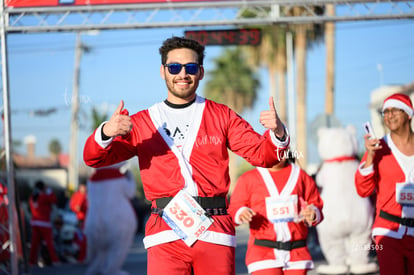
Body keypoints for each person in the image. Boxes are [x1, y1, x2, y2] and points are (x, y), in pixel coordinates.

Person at [83, 36, 289, 275]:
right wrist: (106, 132)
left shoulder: (222, 115)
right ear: (163, 71)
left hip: (215, 230)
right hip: (165, 234)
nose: (182, 74)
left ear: (200, 72)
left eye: (190, 67)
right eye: (174, 67)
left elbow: (264, 156)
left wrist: (278, 132)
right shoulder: (141, 123)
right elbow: (93, 159)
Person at [228, 151, 323, 275]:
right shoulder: (248, 178)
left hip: (297, 253)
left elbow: (315, 203)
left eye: (281, 150)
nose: (277, 154)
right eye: (271, 149)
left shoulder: (300, 175)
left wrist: (313, 212)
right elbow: (234, 207)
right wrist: (241, 213)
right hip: (263, 253)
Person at [355, 92, 414, 275]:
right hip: (387, 232)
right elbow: (363, 190)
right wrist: (371, 156)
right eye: (385, 112)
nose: (388, 115)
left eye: (394, 110)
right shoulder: (378, 147)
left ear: (408, 114)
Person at [84, 162, 137, 275]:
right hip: (119, 220)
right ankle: (111, 270)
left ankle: (96, 270)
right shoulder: (118, 177)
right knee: (118, 248)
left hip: (94, 220)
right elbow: (131, 192)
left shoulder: (92, 180)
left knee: (101, 252)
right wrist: (130, 177)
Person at [28, 180, 60, 267]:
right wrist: (49, 190)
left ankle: (31, 261)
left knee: (34, 244)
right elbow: (54, 199)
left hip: (35, 222)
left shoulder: (32, 196)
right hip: (44, 222)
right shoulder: (44, 196)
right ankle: (54, 260)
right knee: (49, 242)